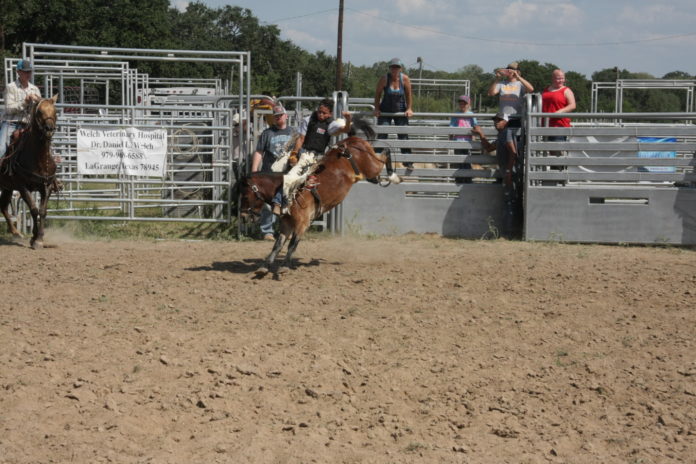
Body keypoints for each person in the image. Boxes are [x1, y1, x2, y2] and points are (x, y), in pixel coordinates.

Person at [276, 98, 352, 213]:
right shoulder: (308, 120)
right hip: (305, 155)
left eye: (324, 113)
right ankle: (279, 202)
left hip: (319, 159)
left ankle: (317, 207)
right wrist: (294, 154)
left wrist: (348, 119)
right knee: (290, 177)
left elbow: (345, 129)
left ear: (330, 114)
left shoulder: (331, 125)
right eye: (319, 112)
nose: (320, 115)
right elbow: (301, 139)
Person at [471, 113, 524, 238]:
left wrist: (508, 172)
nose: (496, 122)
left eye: (499, 120)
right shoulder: (502, 135)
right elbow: (489, 148)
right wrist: (481, 134)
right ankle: (511, 232)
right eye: (495, 120)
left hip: (510, 173)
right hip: (509, 172)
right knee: (510, 200)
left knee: (510, 201)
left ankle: (510, 233)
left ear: (506, 122)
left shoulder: (506, 133)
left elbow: (513, 152)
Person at [251, 103, 295, 240]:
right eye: (276, 116)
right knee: (268, 204)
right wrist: (254, 171)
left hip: (287, 173)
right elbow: (259, 152)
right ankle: (267, 231)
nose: (278, 118)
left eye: (280, 115)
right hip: (269, 174)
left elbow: (298, 151)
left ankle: (286, 230)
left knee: (288, 202)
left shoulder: (293, 133)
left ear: (286, 116)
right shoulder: (267, 133)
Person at [373, 58, 414, 168]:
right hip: (385, 109)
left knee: (403, 134)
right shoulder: (384, 79)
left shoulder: (405, 79)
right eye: (393, 67)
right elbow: (377, 94)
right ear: (390, 68)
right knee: (382, 133)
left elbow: (409, 95)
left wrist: (409, 108)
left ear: (400, 69)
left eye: (397, 67)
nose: (394, 69)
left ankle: (407, 161)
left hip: (400, 110)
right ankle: (375, 159)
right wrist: (376, 108)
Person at [1, 59, 41, 158]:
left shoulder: (35, 89)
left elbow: (39, 110)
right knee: (1, 148)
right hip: (11, 123)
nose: (28, 74)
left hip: (28, 125)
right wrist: (25, 102)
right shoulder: (10, 87)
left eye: (29, 71)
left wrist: (39, 101)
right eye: (25, 71)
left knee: (44, 143)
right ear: (18, 72)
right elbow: (9, 109)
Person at [487, 61, 534, 128]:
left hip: (516, 117)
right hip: (503, 118)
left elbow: (531, 89)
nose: (509, 72)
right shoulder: (501, 84)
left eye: (511, 70)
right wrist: (497, 79)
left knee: (514, 137)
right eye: (508, 70)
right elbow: (491, 93)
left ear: (517, 71)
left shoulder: (520, 84)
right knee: (504, 137)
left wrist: (518, 77)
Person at [449, 95, 479, 183]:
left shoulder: (471, 114)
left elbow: (475, 126)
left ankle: (467, 179)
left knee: (467, 160)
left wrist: (474, 138)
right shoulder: (456, 114)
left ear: (468, 104)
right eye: (461, 104)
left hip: (467, 142)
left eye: (464, 104)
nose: (462, 105)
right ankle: (459, 180)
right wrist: (450, 140)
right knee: (458, 161)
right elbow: (451, 127)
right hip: (458, 141)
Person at [541, 68, 576, 141]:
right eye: (558, 78)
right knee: (549, 148)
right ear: (553, 78)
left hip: (559, 124)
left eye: (562, 78)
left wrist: (559, 112)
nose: (561, 80)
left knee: (557, 148)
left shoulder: (566, 90)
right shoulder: (546, 89)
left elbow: (572, 105)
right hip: (546, 124)